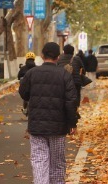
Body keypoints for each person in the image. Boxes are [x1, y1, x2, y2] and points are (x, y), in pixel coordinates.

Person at [18, 42, 79, 184]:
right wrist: (72, 123)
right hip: (58, 128)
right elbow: (71, 101)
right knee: (57, 162)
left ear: (41, 55)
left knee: (39, 160)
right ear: (58, 57)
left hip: (36, 126)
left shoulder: (31, 73)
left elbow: (23, 93)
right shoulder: (64, 75)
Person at [18, 52, 37, 116]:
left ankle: (25, 108)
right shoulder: (36, 68)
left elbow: (18, 76)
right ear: (34, 59)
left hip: (25, 87)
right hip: (34, 86)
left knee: (24, 96)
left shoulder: (23, 68)